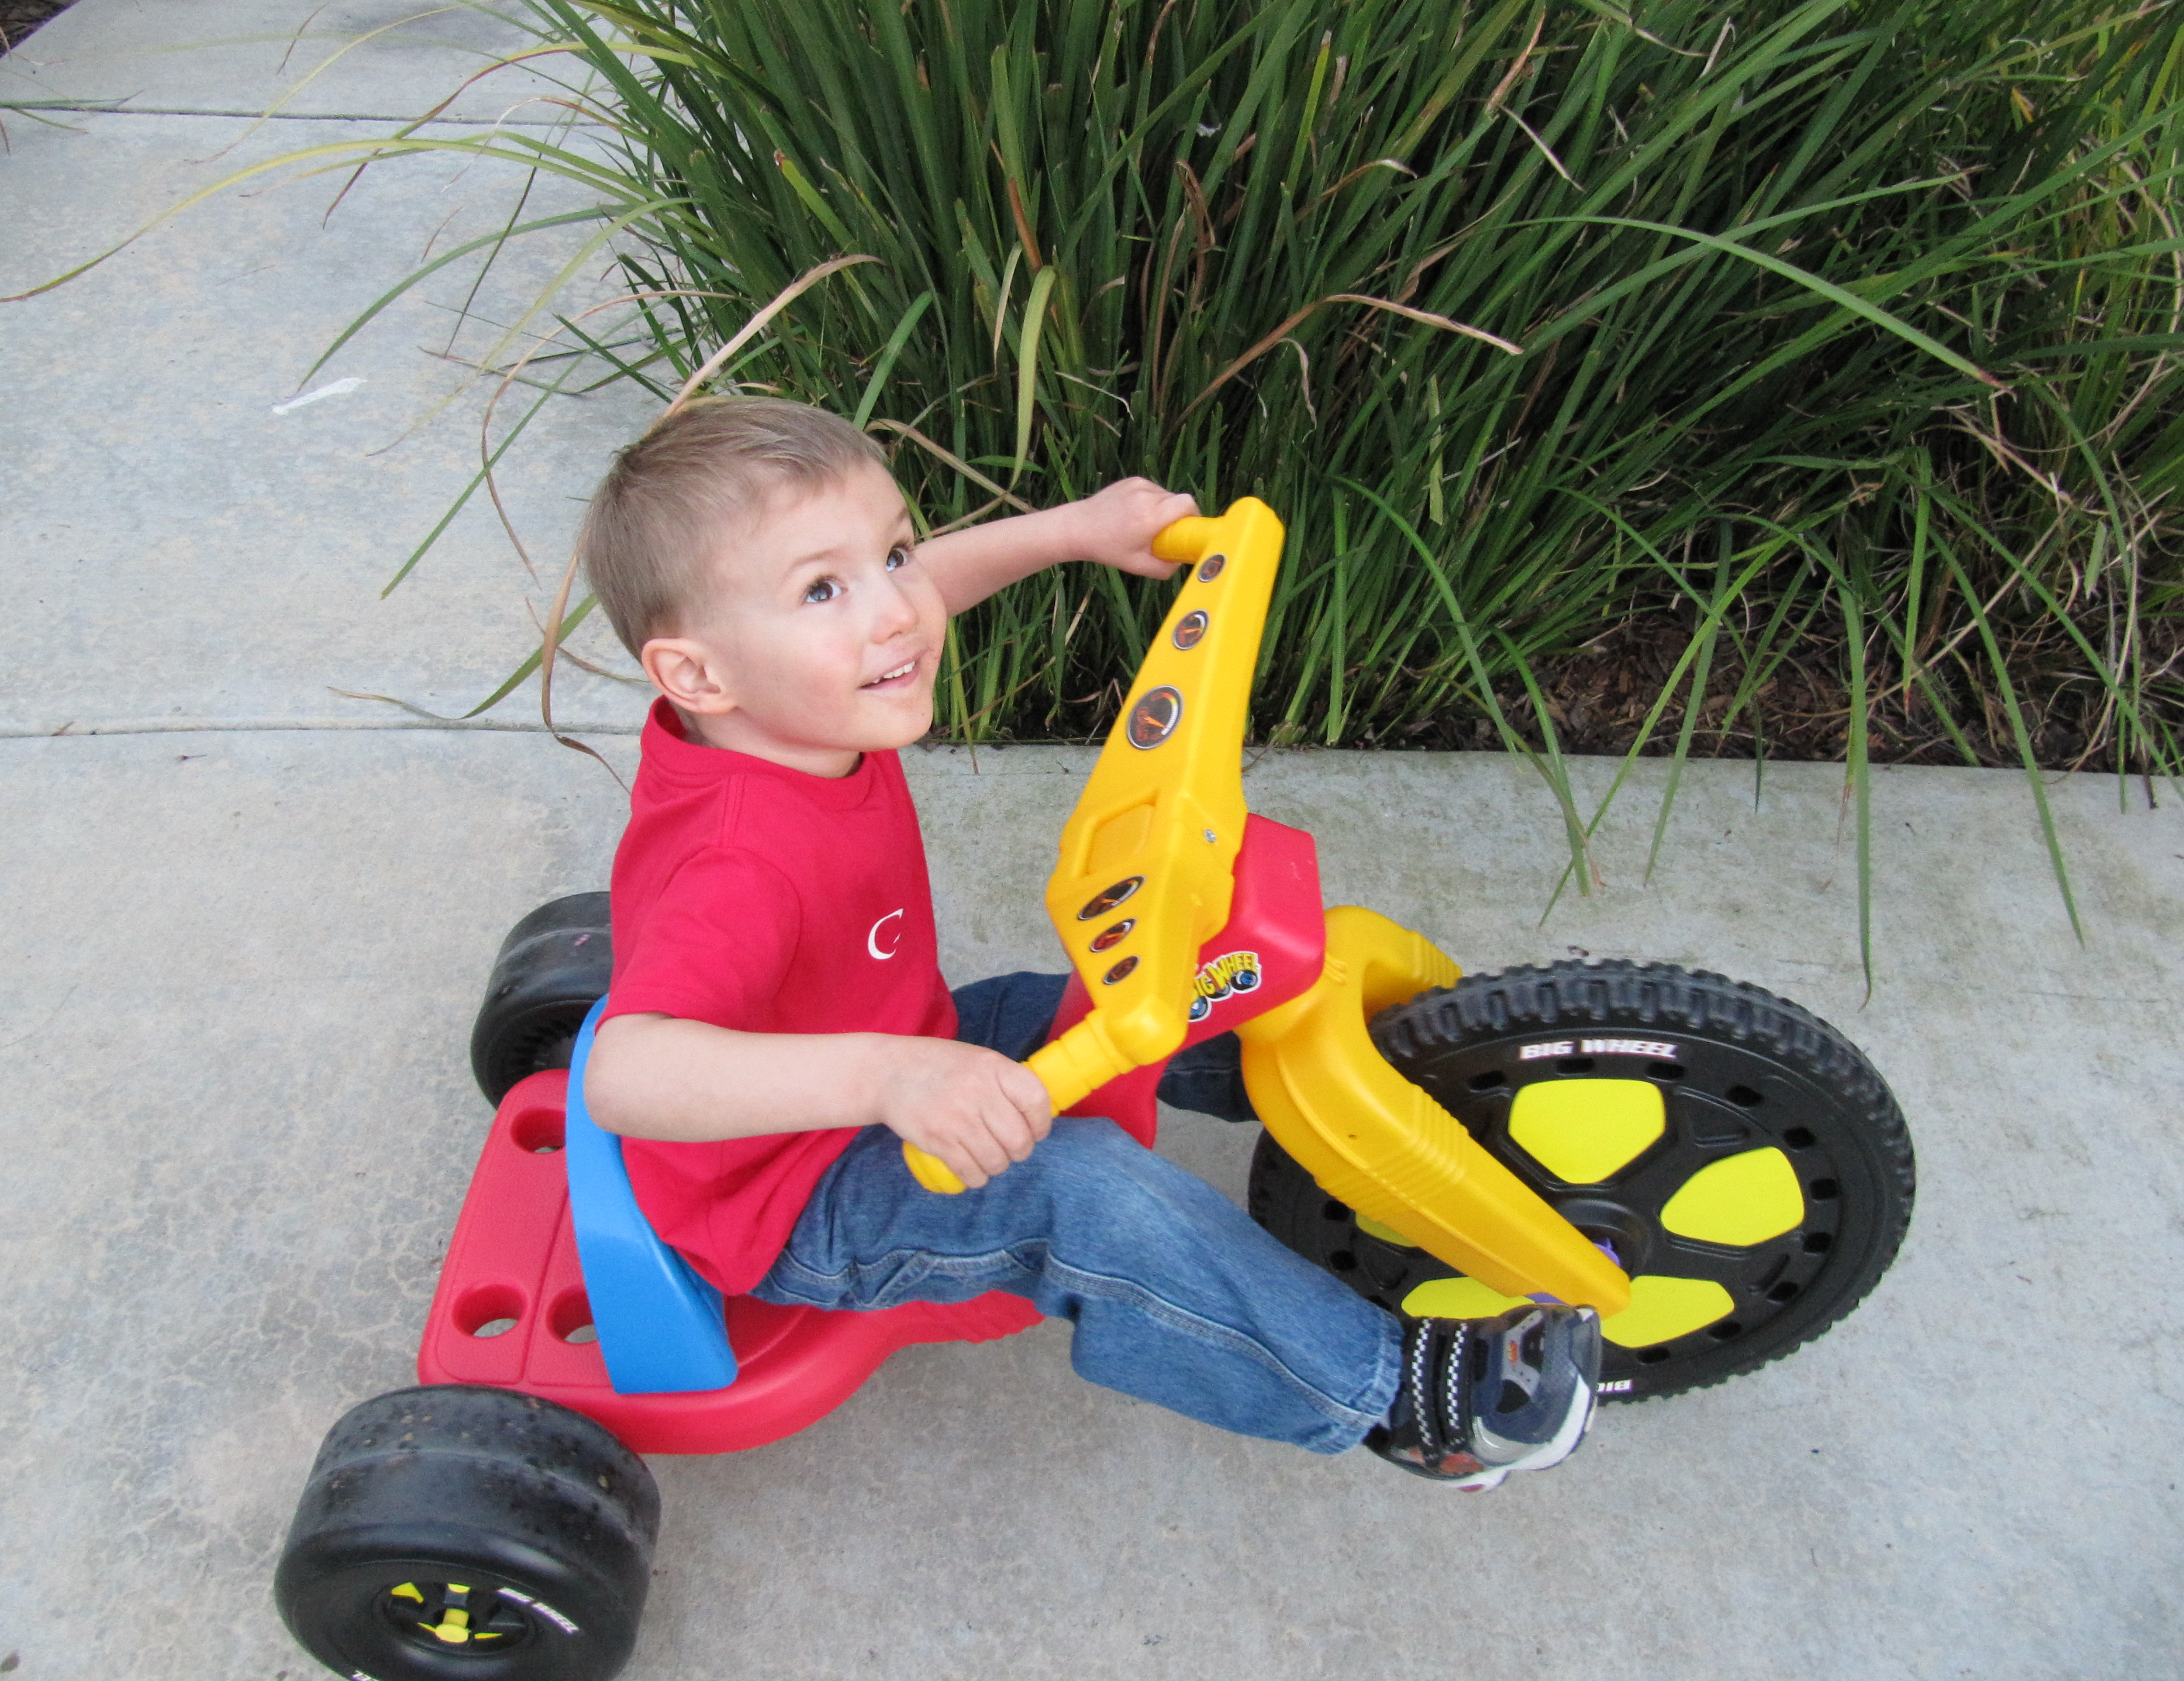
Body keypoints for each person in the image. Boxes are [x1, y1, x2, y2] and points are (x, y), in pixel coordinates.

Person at [575, 397, 1600, 1487]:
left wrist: (1073, 530)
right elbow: (626, 1077)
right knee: (1083, 1191)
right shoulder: (733, 863)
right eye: (823, 590)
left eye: (895, 553)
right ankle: (1398, 1399)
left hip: (893, 1037)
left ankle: (1413, 1082)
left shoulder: (788, 706)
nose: (899, 614)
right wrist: (892, 1076)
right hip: (792, 1195)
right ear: (698, 675)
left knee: (1142, 988)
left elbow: (922, 595)